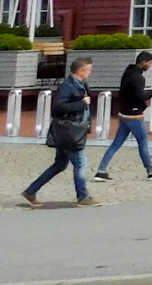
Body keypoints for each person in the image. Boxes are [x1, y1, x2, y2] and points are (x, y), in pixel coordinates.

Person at [25, 57, 96, 207]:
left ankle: (31, 190)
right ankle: (83, 196)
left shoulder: (82, 85)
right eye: (89, 69)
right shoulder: (67, 86)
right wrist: (81, 104)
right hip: (69, 131)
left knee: (60, 164)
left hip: (74, 129)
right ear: (80, 71)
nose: (91, 72)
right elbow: (59, 107)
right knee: (81, 163)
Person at [94, 50, 152, 181]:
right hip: (134, 115)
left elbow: (124, 93)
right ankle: (151, 170)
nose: (150, 65)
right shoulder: (139, 78)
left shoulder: (127, 73)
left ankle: (101, 170)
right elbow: (139, 96)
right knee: (143, 143)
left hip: (124, 113)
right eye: (149, 62)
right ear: (143, 62)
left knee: (116, 144)